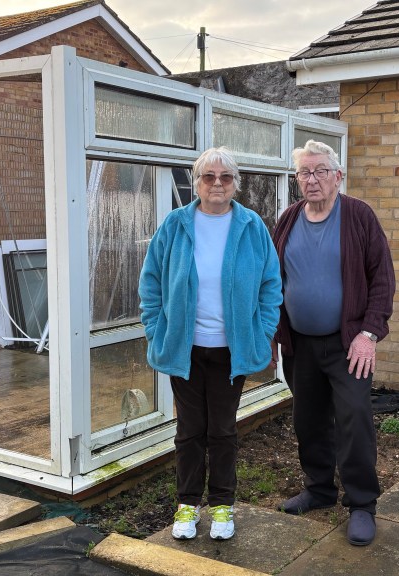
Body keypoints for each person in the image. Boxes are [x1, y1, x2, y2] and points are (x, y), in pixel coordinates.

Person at [138, 147, 282, 541]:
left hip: (229, 351)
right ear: (196, 181)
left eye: (225, 177)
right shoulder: (175, 224)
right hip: (185, 348)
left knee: (221, 430)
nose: (217, 183)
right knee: (188, 431)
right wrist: (156, 327)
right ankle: (187, 506)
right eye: (208, 176)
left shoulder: (251, 226)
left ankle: (222, 505)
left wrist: (264, 329)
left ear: (236, 183)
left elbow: (271, 284)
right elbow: (150, 281)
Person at [271, 140, 395, 546]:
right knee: (308, 419)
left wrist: (369, 333)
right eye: (305, 172)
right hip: (301, 344)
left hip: (349, 344)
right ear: (297, 180)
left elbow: (382, 279)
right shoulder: (287, 219)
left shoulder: (358, 216)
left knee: (354, 419)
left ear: (338, 176)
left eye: (321, 171)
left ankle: (361, 504)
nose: (312, 179)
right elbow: (274, 282)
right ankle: (319, 489)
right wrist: (274, 333)